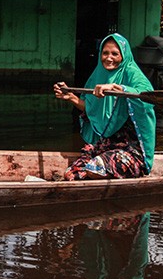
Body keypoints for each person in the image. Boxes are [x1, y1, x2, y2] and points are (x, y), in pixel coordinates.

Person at [53, 33, 156, 180]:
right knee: (71, 173)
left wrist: (119, 88)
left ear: (124, 56)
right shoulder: (98, 75)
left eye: (115, 54)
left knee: (94, 168)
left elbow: (146, 96)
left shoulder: (132, 73)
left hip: (131, 151)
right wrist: (71, 97)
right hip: (107, 146)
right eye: (105, 53)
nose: (109, 58)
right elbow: (93, 112)